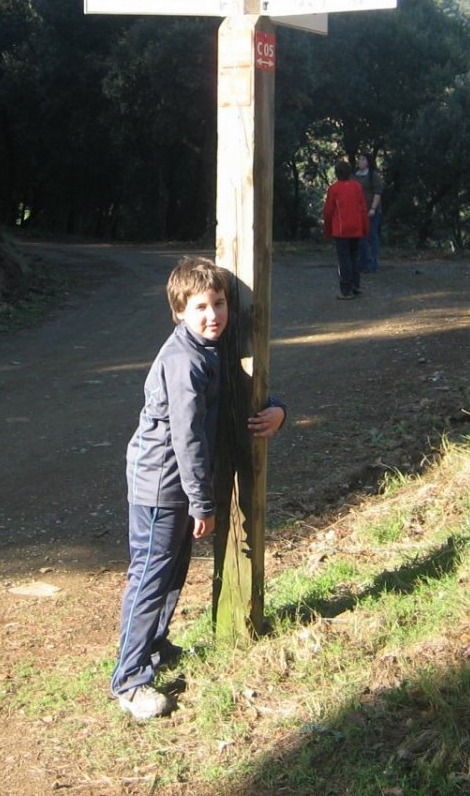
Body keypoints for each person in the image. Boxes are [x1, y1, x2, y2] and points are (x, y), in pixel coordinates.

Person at [111, 256, 287, 721]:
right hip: (160, 486)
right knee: (150, 576)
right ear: (179, 312)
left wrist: (278, 410)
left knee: (172, 572)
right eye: (201, 307)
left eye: (220, 303)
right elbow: (185, 436)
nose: (214, 315)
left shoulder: (212, 350)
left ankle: (155, 644)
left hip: (179, 487)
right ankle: (129, 680)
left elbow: (242, 389)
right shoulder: (184, 360)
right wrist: (202, 502)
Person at [323, 160, 370, 299]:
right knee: (354, 257)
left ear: (337, 174)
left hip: (341, 229)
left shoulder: (334, 189)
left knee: (344, 260)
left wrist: (327, 230)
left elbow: (328, 211)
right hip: (356, 228)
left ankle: (346, 289)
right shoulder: (357, 187)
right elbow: (363, 209)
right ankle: (355, 285)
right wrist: (365, 228)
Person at [354, 153, 384, 273]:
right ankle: (362, 262)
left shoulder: (373, 176)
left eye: (362, 159)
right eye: (359, 159)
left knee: (372, 235)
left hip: (371, 210)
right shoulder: (354, 176)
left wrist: (373, 208)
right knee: (361, 238)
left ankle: (373, 262)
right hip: (358, 211)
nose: (360, 161)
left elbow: (378, 193)